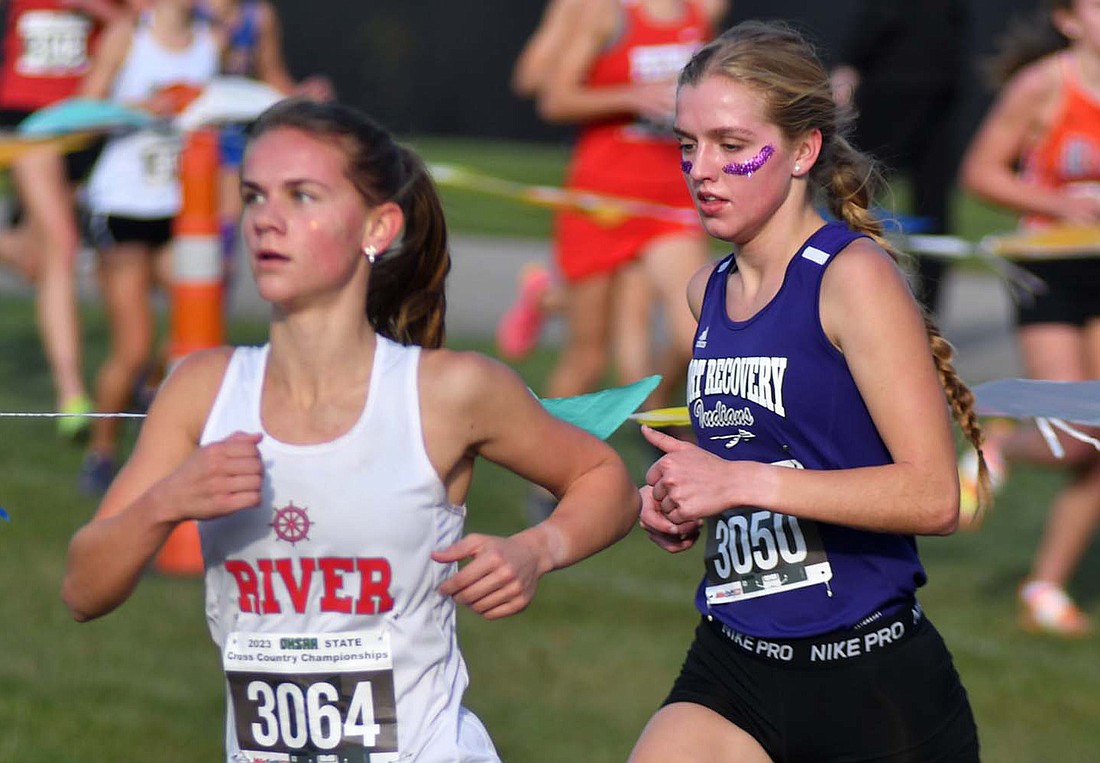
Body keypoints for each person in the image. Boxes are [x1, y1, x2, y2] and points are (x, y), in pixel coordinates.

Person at [61, 98, 640, 761]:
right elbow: (83, 589)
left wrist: (539, 549)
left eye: (302, 196)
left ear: (377, 226)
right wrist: (168, 502)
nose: (267, 220)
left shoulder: (447, 392)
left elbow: (607, 479)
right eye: (254, 196)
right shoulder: (202, 390)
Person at [628, 21, 987, 762]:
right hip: (732, 661)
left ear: (802, 149)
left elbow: (934, 496)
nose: (702, 169)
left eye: (732, 145)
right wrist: (678, 498)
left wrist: (738, 482)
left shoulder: (850, 277)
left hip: (869, 682)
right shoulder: (708, 290)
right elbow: (752, 457)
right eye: (688, 145)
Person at [500, 0, 726, 523]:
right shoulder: (605, 13)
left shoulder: (703, 10)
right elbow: (553, 97)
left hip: (671, 196)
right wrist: (633, 96)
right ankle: (545, 475)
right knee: (586, 356)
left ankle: (667, 415)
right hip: (601, 200)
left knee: (699, 331)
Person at [958, 0, 1100, 637]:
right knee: (1075, 432)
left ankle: (1045, 585)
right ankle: (998, 446)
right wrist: (1057, 204)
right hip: (1049, 271)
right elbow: (980, 172)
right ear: (1069, 20)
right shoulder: (1044, 84)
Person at [74, 0, 219, 495]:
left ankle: (151, 397)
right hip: (122, 207)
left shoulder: (208, 42)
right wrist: (141, 108)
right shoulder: (127, 36)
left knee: (190, 328)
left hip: (178, 209)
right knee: (133, 345)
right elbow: (84, 113)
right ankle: (101, 453)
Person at [0, 0, 128, 439]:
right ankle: (71, 392)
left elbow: (138, 21)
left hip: (82, 122)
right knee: (64, 243)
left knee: (39, 259)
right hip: (28, 120)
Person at [829, 0, 970, 313]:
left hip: (921, 88)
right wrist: (851, 64)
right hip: (907, 84)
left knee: (919, 201)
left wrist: (850, 62)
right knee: (861, 193)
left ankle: (926, 307)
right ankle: (839, 284)